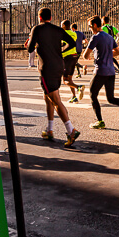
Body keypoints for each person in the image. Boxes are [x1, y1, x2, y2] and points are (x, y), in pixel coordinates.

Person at [27, 8, 80, 147]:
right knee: (48, 97)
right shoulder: (58, 30)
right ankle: (49, 129)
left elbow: (30, 49)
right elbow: (73, 44)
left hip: (47, 69)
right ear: (51, 17)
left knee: (55, 100)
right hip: (58, 66)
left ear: (39, 17)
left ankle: (71, 130)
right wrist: (60, 50)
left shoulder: (37, 29)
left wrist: (30, 44)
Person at [83, 16, 119, 129]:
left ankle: (100, 121)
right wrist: (107, 54)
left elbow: (85, 55)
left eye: (89, 26)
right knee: (110, 98)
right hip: (111, 71)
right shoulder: (109, 37)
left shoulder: (95, 37)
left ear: (94, 25)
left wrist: (95, 55)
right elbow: (118, 52)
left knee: (93, 95)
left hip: (100, 71)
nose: (89, 29)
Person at [60, 20, 85, 103]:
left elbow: (62, 45)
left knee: (65, 80)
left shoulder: (62, 34)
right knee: (70, 78)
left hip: (66, 57)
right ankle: (74, 97)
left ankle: (78, 87)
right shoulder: (74, 33)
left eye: (61, 25)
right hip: (74, 56)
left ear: (63, 25)